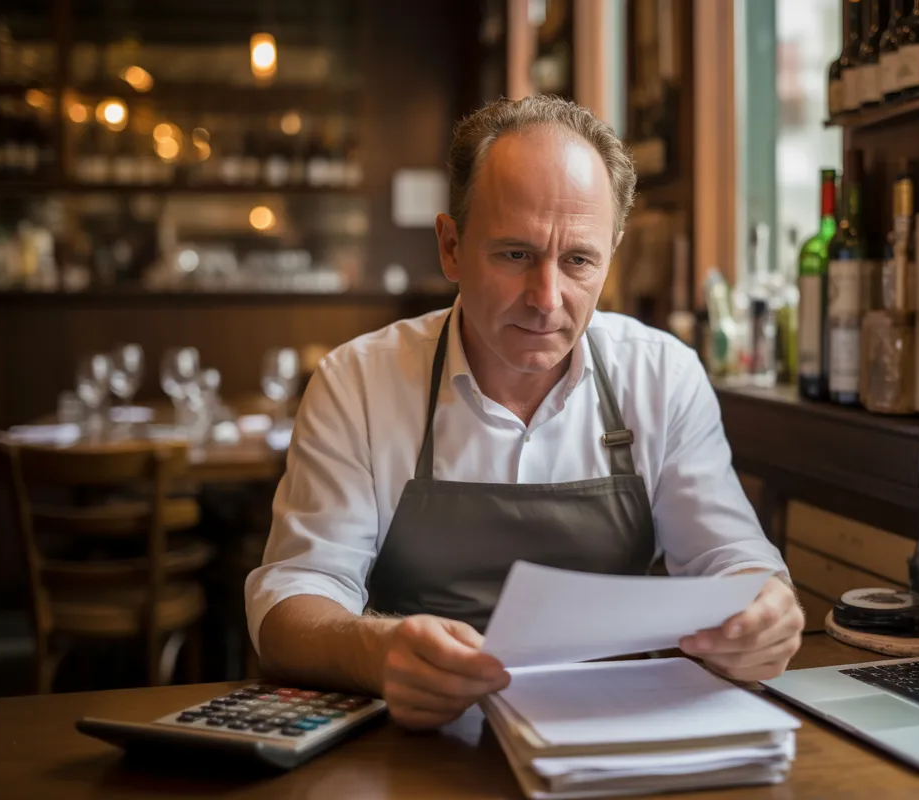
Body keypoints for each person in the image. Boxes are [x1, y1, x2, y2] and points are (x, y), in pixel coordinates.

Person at [246, 96, 803, 730]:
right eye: (515, 255)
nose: (547, 299)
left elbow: (734, 559)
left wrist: (766, 612)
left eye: (578, 261)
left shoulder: (663, 376)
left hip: (612, 735)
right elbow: (289, 606)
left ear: (610, 256)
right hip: (416, 743)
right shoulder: (358, 382)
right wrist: (372, 650)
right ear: (451, 247)